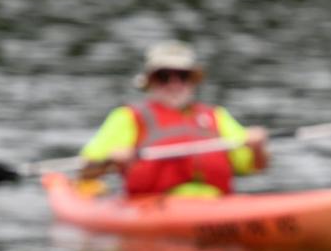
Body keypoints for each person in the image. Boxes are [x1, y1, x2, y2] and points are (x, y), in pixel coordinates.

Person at [78, 41, 269, 197]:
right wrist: (112, 159)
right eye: (164, 76)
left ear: (192, 80)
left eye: (182, 76)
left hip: (217, 204)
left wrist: (257, 147)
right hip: (154, 207)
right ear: (151, 81)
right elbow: (86, 172)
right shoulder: (127, 117)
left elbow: (256, 167)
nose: (174, 84)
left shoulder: (217, 116)